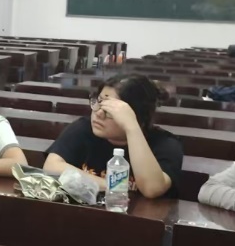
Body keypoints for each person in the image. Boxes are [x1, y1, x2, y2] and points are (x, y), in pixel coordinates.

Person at [44, 74, 182, 199]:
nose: (98, 114)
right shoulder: (84, 129)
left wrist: (132, 128)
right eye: (99, 103)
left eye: (111, 110)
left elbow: (151, 189)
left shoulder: (166, 144)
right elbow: (52, 166)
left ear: (137, 116)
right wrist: (113, 187)